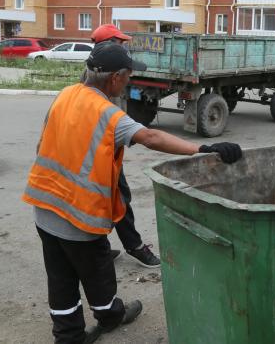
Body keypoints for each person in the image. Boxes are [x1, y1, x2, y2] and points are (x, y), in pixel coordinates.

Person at [23, 42, 242, 343]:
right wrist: (204, 148)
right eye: (128, 76)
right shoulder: (108, 115)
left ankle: (68, 335)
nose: (129, 81)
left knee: (60, 277)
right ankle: (110, 315)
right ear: (115, 78)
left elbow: (41, 145)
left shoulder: (64, 95)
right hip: (79, 216)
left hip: (44, 206)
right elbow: (151, 137)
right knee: (97, 272)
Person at [88, 24, 159, 268]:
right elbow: (150, 137)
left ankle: (100, 246)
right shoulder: (102, 73)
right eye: (120, 42)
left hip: (109, 144)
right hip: (99, 151)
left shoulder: (101, 67)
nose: (124, 46)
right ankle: (135, 247)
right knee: (119, 198)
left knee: (107, 198)